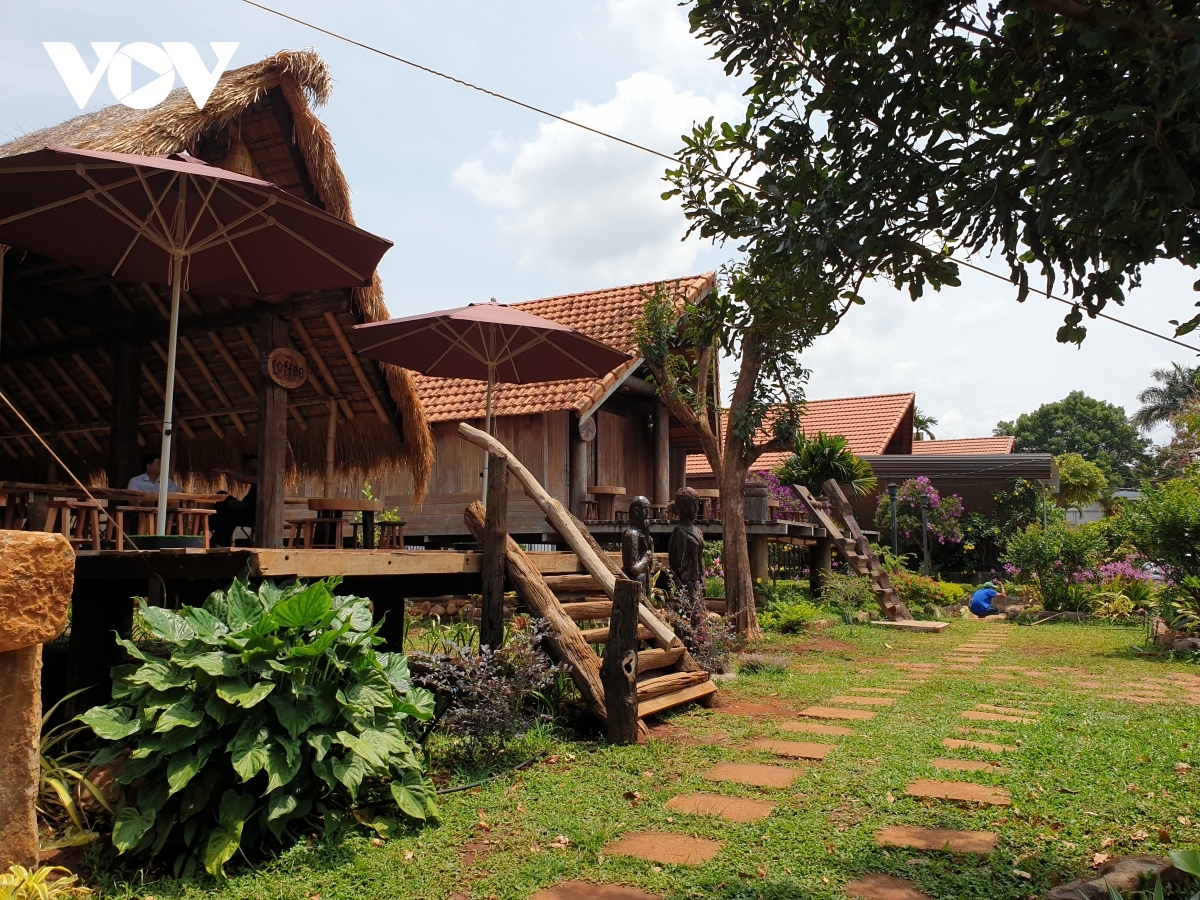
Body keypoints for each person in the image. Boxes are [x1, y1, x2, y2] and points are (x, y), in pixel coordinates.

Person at [210, 454, 259, 547]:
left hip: (252, 513)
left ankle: (217, 542)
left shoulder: (266, 476)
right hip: (244, 509)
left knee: (231, 514)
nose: (248, 464)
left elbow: (246, 479)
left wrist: (227, 471)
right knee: (222, 495)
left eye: (251, 461)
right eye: (247, 462)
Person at [621, 496, 655, 596]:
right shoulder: (632, 534)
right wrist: (646, 557)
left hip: (644, 583)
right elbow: (634, 569)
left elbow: (650, 566)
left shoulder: (643, 535)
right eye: (645, 510)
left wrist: (648, 540)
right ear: (636, 512)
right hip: (635, 586)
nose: (648, 514)